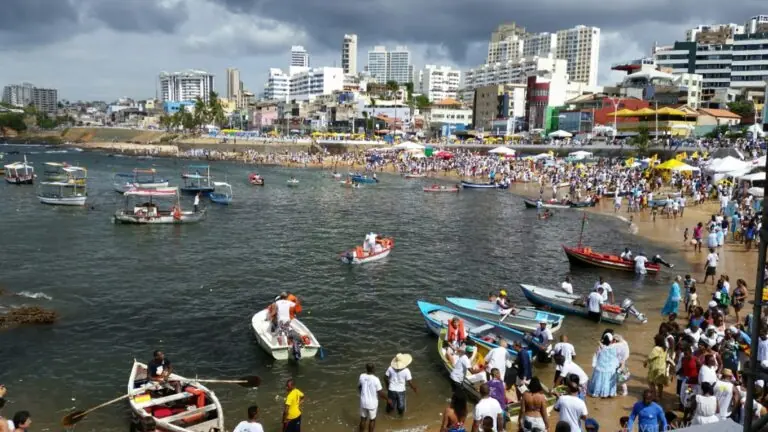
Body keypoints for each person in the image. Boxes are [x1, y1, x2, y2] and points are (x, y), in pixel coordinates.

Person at [588, 333, 619, 398]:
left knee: (599, 382)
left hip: (601, 367)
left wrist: (600, 343)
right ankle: (609, 393)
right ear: (611, 341)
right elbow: (616, 357)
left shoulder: (600, 348)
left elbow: (596, 356)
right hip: (610, 368)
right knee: (607, 382)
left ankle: (597, 393)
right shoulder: (614, 347)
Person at [359, 363, 387, 432]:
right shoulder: (376, 379)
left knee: (363, 419)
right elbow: (380, 393)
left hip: (363, 402)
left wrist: (362, 394)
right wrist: (387, 399)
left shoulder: (361, 376)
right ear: (373, 369)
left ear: (366, 369)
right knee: (372, 420)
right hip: (372, 404)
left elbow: (359, 387)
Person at [644, 334, 668, 402]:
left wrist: (645, 362)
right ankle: (660, 396)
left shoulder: (656, 348)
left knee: (651, 382)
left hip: (655, 368)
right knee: (660, 383)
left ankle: (654, 397)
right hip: (662, 368)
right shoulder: (665, 348)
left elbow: (650, 357)